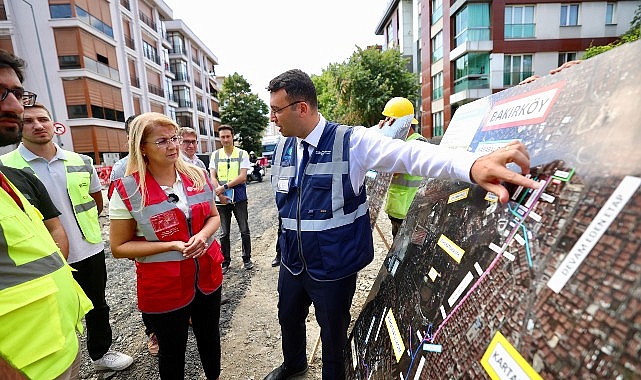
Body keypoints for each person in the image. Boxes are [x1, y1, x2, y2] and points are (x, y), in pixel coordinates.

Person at [264, 69, 540, 380]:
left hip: (332, 265)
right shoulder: (284, 148)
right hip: (293, 262)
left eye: (276, 110)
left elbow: (410, 154)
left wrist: (472, 165)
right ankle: (294, 364)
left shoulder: (351, 142)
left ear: (301, 107)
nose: (273, 117)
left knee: (332, 335)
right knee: (288, 316)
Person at [1, 103, 134, 372]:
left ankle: (100, 354)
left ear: (54, 124)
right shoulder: (7, 167)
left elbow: (96, 201)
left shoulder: (80, 161)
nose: (38, 125)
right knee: (51, 309)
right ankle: (58, 361)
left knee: (97, 304)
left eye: (43, 119)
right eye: (29, 121)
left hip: (87, 248)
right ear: (19, 126)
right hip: (41, 258)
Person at [0, 49, 93, 380]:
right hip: (25, 367)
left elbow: (54, 228)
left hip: (57, 347)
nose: (14, 105)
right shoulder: (14, 167)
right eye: (0, 93)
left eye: (18, 94)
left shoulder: (9, 178)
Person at [109, 112, 223, 379]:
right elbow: (119, 247)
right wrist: (170, 245)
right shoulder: (128, 189)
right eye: (161, 141)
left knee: (210, 338)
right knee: (172, 351)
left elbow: (214, 217)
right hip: (164, 285)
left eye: (174, 138)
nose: (173, 146)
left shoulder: (196, 174)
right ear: (142, 148)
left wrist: (203, 236)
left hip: (207, 275)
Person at [378, 97, 429, 239]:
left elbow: (389, 166)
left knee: (413, 252)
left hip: (412, 212)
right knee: (397, 253)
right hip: (397, 210)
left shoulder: (417, 143)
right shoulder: (397, 142)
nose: (388, 124)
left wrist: (385, 138)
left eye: (390, 120)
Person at [209, 124, 254, 273]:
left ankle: (247, 259)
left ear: (232, 136)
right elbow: (213, 176)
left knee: (244, 229)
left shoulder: (242, 153)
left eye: (228, 136)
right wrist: (220, 193)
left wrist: (224, 188)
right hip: (221, 197)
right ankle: (225, 262)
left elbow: (242, 176)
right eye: (222, 137)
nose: (225, 139)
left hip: (239, 195)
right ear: (219, 138)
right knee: (224, 232)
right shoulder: (215, 155)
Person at [107, 115, 136, 199]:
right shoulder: (121, 169)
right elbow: (115, 202)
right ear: (129, 138)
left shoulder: (166, 161)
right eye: (136, 133)